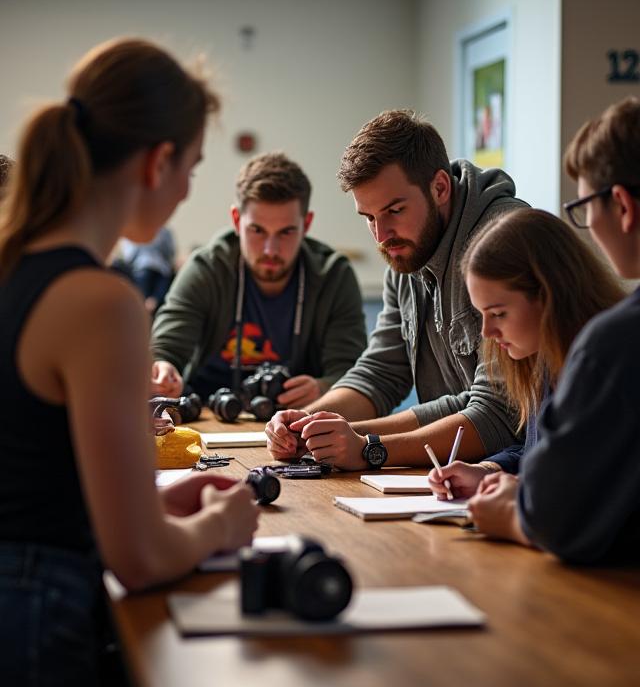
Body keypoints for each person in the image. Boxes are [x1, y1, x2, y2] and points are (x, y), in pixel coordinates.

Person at [0, 37, 259, 687]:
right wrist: (219, 527)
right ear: (158, 161)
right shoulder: (99, 300)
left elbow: (33, 468)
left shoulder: (18, 267)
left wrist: (146, 504)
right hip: (31, 615)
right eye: (193, 168)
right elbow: (138, 558)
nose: (184, 191)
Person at [266, 109, 527, 469]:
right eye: (369, 218)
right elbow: (381, 372)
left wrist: (368, 446)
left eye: (394, 210)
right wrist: (306, 422)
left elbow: (501, 416)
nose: (381, 235)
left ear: (439, 187)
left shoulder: (503, 241)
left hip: (517, 471)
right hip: (459, 471)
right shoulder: (406, 248)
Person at [461, 96, 640, 563]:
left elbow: (553, 517)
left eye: (584, 206)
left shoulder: (612, 346)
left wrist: (513, 518)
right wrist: (494, 473)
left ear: (621, 205)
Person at [427, 207, 622, 500]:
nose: (486, 333)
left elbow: (597, 486)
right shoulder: (544, 357)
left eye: (499, 313)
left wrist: (521, 498)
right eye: (482, 314)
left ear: (548, 294)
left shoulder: (608, 366)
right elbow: (539, 451)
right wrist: (489, 470)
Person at [150, 151, 367, 408]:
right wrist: (163, 370)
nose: (270, 250)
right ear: (236, 220)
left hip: (297, 421)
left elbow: (352, 373)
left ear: (306, 224)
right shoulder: (206, 268)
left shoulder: (334, 276)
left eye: (286, 232)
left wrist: (324, 387)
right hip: (208, 412)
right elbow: (165, 350)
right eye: (257, 230)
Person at [116, 225, 176, 315]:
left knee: (141, 303)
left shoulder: (131, 229)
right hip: (162, 271)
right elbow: (169, 252)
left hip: (142, 269)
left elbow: (129, 255)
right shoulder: (164, 231)